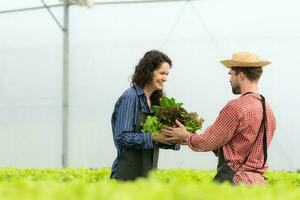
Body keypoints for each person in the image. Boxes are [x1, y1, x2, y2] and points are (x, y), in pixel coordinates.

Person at [162, 51, 276, 185]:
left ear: (240, 75)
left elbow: (207, 141)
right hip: (258, 183)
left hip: (234, 182)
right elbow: (237, 145)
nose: (230, 79)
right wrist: (190, 139)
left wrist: (186, 136)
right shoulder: (268, 110)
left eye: (230, 74)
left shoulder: (236, 107)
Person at [110, 50, 180, 181]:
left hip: (147, 174)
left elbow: (154, 140)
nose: (165, 78)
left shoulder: (155, 102)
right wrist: (153, 137)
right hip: (126, 175)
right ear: (148, 72)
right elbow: (121, 136)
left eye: (167, 74)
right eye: (162, 73)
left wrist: (174, 139)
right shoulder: (130, 97)